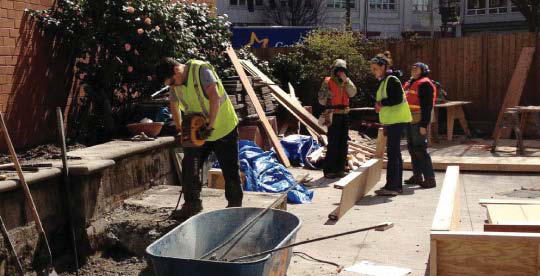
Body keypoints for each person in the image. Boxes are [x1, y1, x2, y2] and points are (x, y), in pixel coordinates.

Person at [155, 57, 242, 219]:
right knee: (190, 166)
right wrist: (181, 129)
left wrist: (211, 125)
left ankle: (234, 206)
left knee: (229, 169)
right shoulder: (175, 83)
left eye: (173, 82)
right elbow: (173, 105)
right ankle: (191, 204)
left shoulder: (201, 70)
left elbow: (215, 97)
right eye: (170, 84)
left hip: (223, 126)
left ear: (176, 69)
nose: (173, 86)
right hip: (198, 130)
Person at [370, 54, 412, 196]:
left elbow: (397, 98)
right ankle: (395, 186)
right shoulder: (385, 81)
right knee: (395, 154)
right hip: (393, 121)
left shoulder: (391, 80)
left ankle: (392, 187)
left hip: (396, 120)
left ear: (383, 67)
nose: (374, 71)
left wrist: (381, 104)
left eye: (375, 68)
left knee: (393, 154)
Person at [318, 59, 357, 178]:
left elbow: (353, 93)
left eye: (342, 71)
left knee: (343, 143)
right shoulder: (327, 81)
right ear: (334, 71)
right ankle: (329, 170)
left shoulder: (346, 82)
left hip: (344, 114)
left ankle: (340, 168)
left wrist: (347, 81)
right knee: (333, 142)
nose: (340, 73)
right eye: (338, 70)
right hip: (333, 114)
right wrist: (329, 96)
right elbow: (321, 99)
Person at [402, 62, 437, 188]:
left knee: (420, 149)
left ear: (423, 71)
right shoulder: (410, 83)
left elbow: (427, 107)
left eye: (416, 69)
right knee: (412, 148)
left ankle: (430, 178)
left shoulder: (425, 84)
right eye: (412, 68)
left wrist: (424, 125)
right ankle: (417, 175)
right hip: (409, 119)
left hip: (418, 121)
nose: (413, 70)